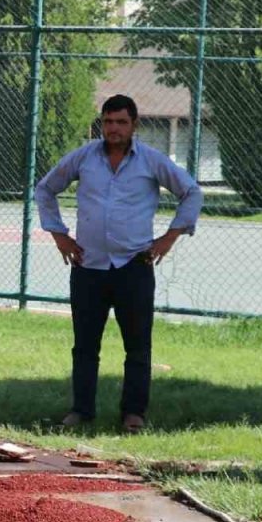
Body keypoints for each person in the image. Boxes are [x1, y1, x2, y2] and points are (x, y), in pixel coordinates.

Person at [34, 94, 203, 433]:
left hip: (134, 267)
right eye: (109, 122)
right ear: (102, 124)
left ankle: (134, 413)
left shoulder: (151, 162)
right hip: (88, 267)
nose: (114, 129)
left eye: (121, 122)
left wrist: (169, 238)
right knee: (84, 345)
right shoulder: (83, 158)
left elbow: (192, 192)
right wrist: (59, 235)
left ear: (134, 125)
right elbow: (45, 189)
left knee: (138, 346)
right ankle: (81, 410)